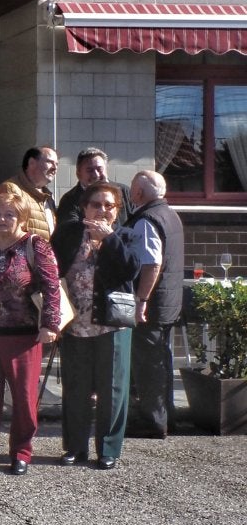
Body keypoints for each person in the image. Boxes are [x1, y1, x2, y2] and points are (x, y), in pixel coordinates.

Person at [0, 187, 61, 475]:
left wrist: (50, 324)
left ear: (22, 218)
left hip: (22, 337)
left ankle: (21, 451)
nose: (2, 219)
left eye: (10, 214)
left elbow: (51, 287)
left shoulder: (34, 245)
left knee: (22, 397)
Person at [51, 182, 138, 468]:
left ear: (117, 210)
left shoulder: (125, 235)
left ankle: (108, 449)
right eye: (96, 205)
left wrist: (110, 239)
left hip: (111, 324)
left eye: (108, 206)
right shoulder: (68, 234)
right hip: (75, 324)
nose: (102, 211)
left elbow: (131, 270)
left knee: (111, 388)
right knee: (75, 388)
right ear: (84, 207)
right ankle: (75, 447)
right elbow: (51, 270)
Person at [125, 170, 184, 439]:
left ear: (138, 193)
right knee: (162, 362)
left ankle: (152, 422)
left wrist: (141, 301)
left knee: (148, 365)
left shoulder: (146, 220)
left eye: (132, 189)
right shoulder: (170, 214)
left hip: (153, 303)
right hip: (169, 302)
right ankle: (166, 417)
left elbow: (151, 264)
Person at [56, 147, 131, 227]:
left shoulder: (124, 192)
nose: (96, 175)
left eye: (99, 169)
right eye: (90, 170)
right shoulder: (69, 200)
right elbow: (69, 231)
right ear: (78, 174)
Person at [12, 146, 59, 240]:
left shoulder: (48, 196)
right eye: (49, 162)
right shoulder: (12, 190)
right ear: (32, 163)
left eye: (57, 164)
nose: (55, 168)